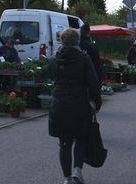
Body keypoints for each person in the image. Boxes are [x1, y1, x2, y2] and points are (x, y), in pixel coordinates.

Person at [48, 28, 102, 184]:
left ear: (62, 41)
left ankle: (67, 178)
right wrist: (96, 103)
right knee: (80, 138)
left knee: (64, 143)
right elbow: (93, 83)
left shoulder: (54, 59)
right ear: (77, 41)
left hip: (59, 105)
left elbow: (51, 76)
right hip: (80, 104)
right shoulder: (83, 58)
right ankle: (77, 171)